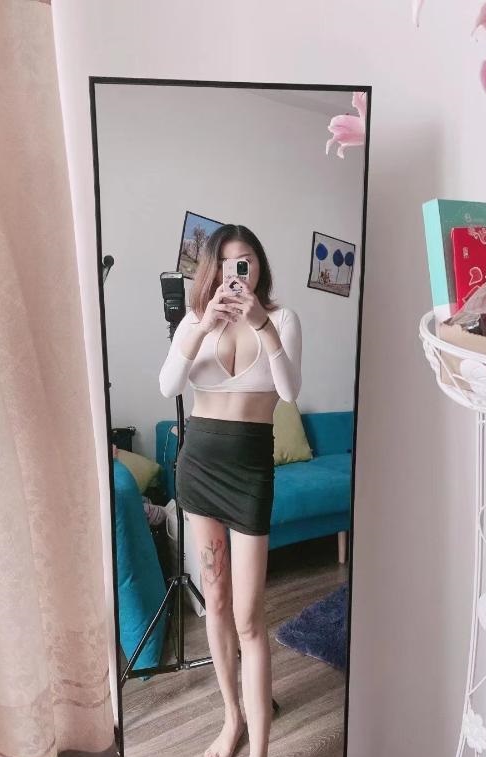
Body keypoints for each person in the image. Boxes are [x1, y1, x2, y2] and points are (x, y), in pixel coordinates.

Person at [159, 224, 301, 757]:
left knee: (249, 617)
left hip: (249, 474)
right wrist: (200, 327)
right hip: (198, 468)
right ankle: (232, 718)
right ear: (211, 270)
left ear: (259, 266)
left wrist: (261, 324)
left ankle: (260, 747)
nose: (235, 272)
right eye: (224, 263)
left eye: (245, 262)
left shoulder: (282, 319)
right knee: (215, 601)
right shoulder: (195, 320)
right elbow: (168, 386)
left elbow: (289, 392)